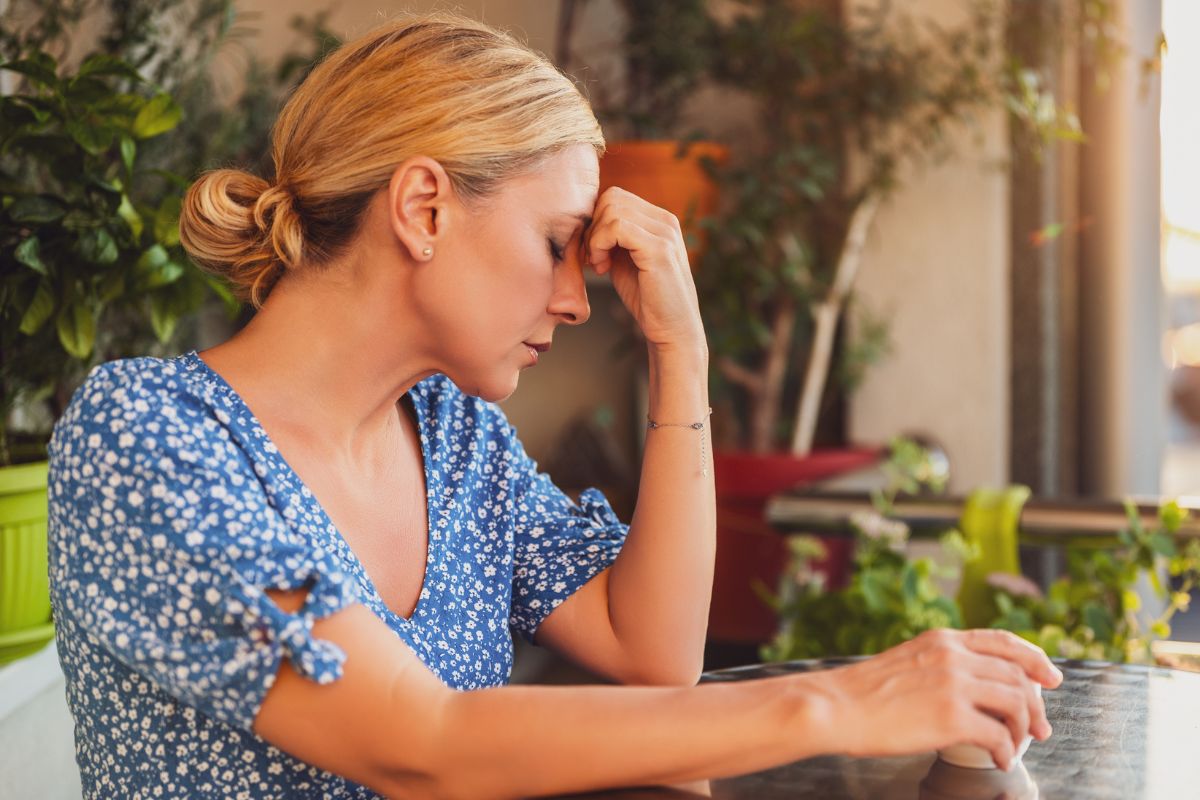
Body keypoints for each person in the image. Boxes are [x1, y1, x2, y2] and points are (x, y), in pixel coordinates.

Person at [46, 11, 1062, 799]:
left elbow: (653, 652)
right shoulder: (147, 439)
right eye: (554, 244)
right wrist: (836, 699)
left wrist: (684, 350)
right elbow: (420, 747)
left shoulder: (450, 435)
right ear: (424, 207)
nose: (577, 299)